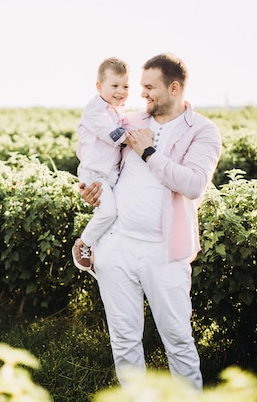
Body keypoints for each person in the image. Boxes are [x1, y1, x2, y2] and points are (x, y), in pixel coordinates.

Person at [79, 53, 222, 390]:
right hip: (116, 246)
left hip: (165, 252)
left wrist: (150, 153)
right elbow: (102, 162)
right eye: (139, 87)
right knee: (125, 340)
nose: (141, 94)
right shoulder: (131, 122)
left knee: (177, 339)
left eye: (149, 88)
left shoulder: (203, 131)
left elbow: (192, 184)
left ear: (174, 88)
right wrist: (91, 191)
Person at [72, 57, 130, 278]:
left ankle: (96, 256)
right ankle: (82, 244)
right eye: (114, 85)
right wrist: (136, 138)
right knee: (107, 212)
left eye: (125, 86)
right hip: (94, 174)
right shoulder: (94, 110)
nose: (121, 91)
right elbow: (112, 134)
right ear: (99, 87)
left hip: (109, 175)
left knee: (112, 217)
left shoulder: (118, 110)